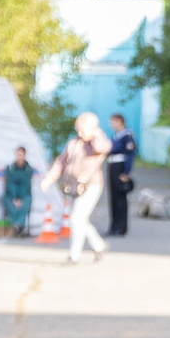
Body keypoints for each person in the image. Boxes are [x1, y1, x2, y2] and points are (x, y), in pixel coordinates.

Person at [43, 112, 111, 266]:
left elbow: (104, 147)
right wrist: (49, 179)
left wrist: (95, 133)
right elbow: (61, 162)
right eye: (78, 130)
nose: (80, 133)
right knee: (80, 220)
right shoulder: (74, 142)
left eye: (83, 130)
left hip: (91, 185)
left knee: (75, 219)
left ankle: (74, 256)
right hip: (74, 186)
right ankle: (99, 245)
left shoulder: (97, 142)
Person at [105, 113, 138, 237]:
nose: (111, 125)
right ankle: (113, 227)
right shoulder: (115, 136)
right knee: (113, 197)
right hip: (112, 166)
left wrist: (126, 172)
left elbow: (130, 155)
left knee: (120, 198)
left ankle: (121, 227)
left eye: (113, 122)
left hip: (120, 166)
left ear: (120, 121)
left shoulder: (126, 136)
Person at [1, 145, 34, 235]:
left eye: (21, 154)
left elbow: (26, 185)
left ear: (24, 155)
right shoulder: (9, 168)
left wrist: (21, 199)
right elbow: (9, 184)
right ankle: (17, 225)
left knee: (25, 204)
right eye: (18, 154)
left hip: (24, 194)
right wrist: (14, 198)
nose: (20, 157)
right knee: (11, 206)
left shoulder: (28, 169)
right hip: (11, 194)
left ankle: (18, 225)